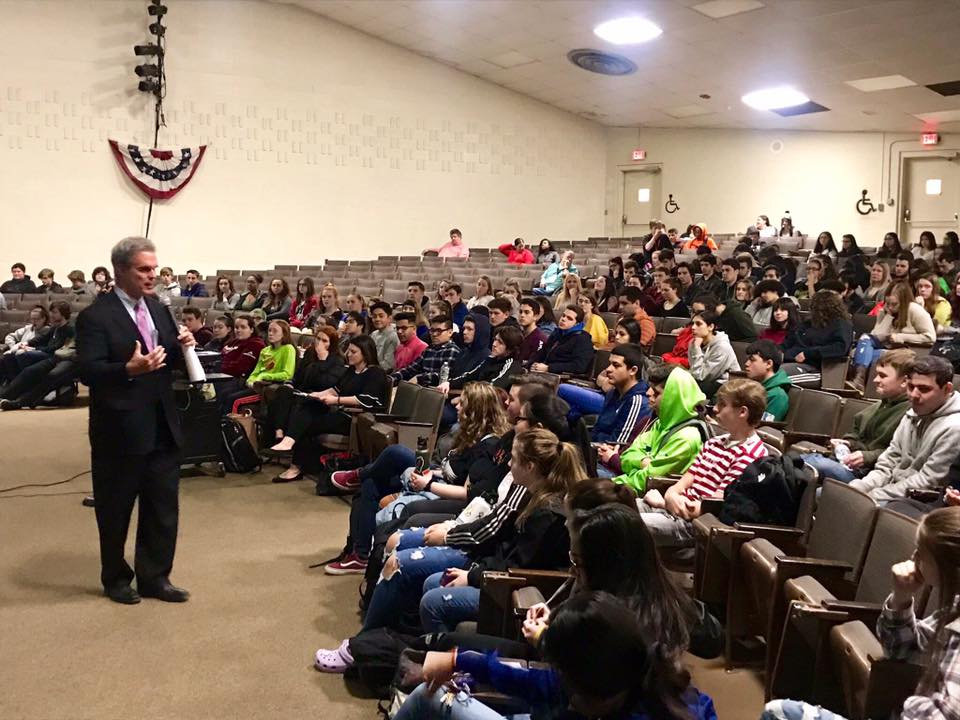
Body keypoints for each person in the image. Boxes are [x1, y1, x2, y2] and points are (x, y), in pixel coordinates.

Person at [75, 237, 196, 605]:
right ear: (120, 271)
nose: (152, 276)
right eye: (144, 269)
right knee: (115, 508)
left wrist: (181, 344)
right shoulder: (95, 316)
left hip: (162, 422)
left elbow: (166, 356)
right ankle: (115, 577)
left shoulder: (158, 308)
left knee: (162, 507)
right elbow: (87, 370)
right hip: (120, 429)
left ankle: (155, 577)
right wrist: (128, 369)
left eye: (154, 268)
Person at [762, 505, 960, 720]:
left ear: (948, 568)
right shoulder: (953, 609)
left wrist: (909, 702)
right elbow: (902, 650)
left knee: (778, 714)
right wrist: (901, 597)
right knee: (779, 711)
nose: (913, 557)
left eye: (921, 553)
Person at [399, 591, 717, 720]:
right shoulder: (637, 680)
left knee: (428, 699)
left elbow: (546, 685)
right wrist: (460, 659)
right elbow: (543, 684)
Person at [638, 378, 768, 551]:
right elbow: (685, 481)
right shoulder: (714, 442)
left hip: (694, 526)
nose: (715, 409)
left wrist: (665, 503)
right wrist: (670, 495)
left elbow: (709, 506)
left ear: (742, 412)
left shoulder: (752, 456)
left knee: (620, 526)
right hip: (675, 507)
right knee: (610, 509)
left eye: (722, 404)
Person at [270, 335, 389, 481]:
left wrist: (336, 400)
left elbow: (366, 400)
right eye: (348, 351)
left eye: (353, 352)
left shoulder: (375, 373)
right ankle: (289, 446)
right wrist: (316, 395)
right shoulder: (352, 370)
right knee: (308, 406)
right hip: (340, 411)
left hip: (355, 418)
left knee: (307, 423)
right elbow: (335, 389)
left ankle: (295, 463)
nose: (348, 354)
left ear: (365, 353)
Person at [850, 356, 960, 503]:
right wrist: (860, 487)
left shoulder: (954, 427)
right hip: (889, 491)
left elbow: (927, 481)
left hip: (919, 501)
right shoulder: (912, 413)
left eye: (924, 389)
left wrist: (872, 495)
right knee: (832, 495)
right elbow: (888, 462)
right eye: (910, 387)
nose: (914, 395)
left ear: (947, 389)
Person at [798, 349, 912, 483]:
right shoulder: (880, 405)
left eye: (883, 376)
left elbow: (900, 454)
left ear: (904, 381)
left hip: (871, 475)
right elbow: (855, 433)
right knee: (796, 463)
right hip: (850, 465)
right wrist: (847, 443)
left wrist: (867, 456)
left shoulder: (910, 413)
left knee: (809, 464)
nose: (875, 380)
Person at [597, 365, 707, 495]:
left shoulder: (687, 438)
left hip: (641, 496)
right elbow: (627, 454)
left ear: (673, 397)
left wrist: (614, 484)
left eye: (657, 392)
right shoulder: (661, 423)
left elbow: (647, 481)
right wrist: (644, 462)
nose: (648, 393)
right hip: (626, 483)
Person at [262, 325, 346, 451]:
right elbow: (299, 375)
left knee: (303, 403)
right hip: (301, 392)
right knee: (283, 391)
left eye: (324, 341)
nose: (319, 343)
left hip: (319, 397)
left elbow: (326, 383)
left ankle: (284, 440)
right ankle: (278, 434)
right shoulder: (310, 353)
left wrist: (322, 361)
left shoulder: (337, 360)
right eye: (318, 339)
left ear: (332, 344)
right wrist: (290, 383)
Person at [848, 282, 936, 393]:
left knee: (864, 354)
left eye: (894, 304)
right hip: (887, 345)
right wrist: (888, 315)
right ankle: (859, 378)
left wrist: (901, 336)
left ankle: (859, 380)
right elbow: (876, 334)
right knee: (865, 338)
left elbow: (930, 337)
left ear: (903, 302)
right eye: (888, 303)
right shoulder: (887, 311)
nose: (890, 307)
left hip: (906, 351)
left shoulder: (915, 310)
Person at [781, 290, 853, 388]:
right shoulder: (807, 324)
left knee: (777, 377)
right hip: (790, 360)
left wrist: (808, 354)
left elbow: (840, 348)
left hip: (816, 369)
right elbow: (788, 342)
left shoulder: (841, 324)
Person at [392, 315, 461, 387]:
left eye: (439, 331)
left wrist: (420, 378)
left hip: (437, 391)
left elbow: (444, 375)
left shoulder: (452, 350)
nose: (434, 334)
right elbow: (411, 369)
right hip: (422, 390)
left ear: (450, 332)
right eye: (432, 330)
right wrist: (391, 378)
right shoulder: (429, 349)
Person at [530, 304, 595, 376]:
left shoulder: (583, 340)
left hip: (562, 376)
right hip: (544, 372)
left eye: (569, 318)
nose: (563, 319)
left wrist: (549, 368)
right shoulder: (557, 333)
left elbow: (579, 366)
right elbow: (542, 352)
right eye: (563, 315)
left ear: (577, 324)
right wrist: (532, 363)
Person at [687, 309, 740, 396]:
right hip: (705, 382)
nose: (693, 327)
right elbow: (694, 371)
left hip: (726, 385)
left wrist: (697, 349)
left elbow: (701, 376)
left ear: (711, 327)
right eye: (692, 324)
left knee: (692, 387)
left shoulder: (722, 347)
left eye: (698, 324)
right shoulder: (693, 342)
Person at [743, 339, 792, 422]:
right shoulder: (751, 388)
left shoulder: (778, 396)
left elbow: (763, 428)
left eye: (752, 360)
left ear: (769, 364)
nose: (746, 363)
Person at [219, 314, 265, 379]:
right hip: (220, 375)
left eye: (243, 327)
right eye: (236, 327)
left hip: (236, 379)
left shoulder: (256, 344)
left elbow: (239, 368)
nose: (238, 330)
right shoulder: (233, 342)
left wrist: (217, 368)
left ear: (251, 330)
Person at [516, 298, 548, 367]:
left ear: (535, 316)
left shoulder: (540, 339)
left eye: (526, 312)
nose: (522, 315)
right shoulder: (517, 335)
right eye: (520, 312)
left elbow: (533, 363)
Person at [367, 301, 398, 372]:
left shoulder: (393, 336)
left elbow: (388, 365)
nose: (377, 319)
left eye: (381, 316)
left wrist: (368, 370)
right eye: (374, 316)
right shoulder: (373, 334)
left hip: (383, 375)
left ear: (389, 318)